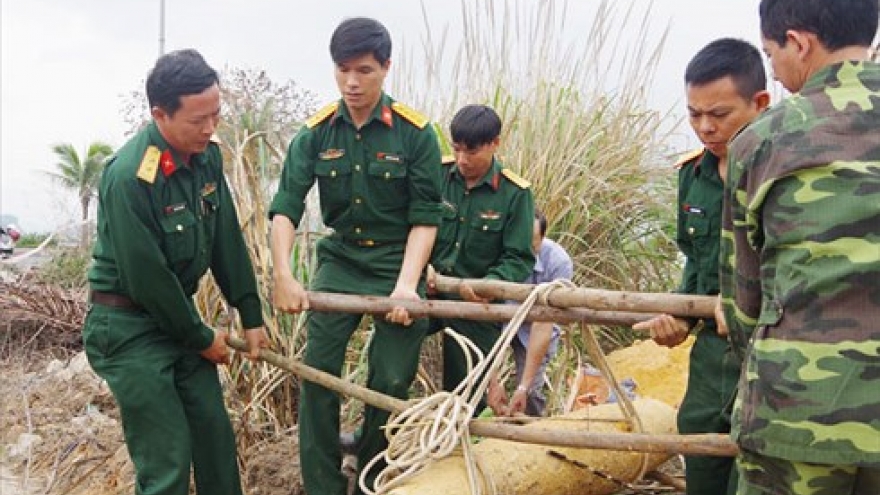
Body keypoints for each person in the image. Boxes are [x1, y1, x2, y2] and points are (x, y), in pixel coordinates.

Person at [268, 17, 444, 495]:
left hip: (396, 263)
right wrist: (283, 274)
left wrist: (407, 285)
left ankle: (369, 476)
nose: (351, 82)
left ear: (386, 68)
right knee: (318, 375)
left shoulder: (416, 134)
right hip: (340, 261)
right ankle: (322, 485)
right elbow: (285, 207)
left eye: (364, 70)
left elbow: (426, 217)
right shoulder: (316, 133)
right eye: (342, 69)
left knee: (390, 379)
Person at [82, 49, 269, 495]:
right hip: (128, 330)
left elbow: (225, 238)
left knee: (215, 445)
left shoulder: (205, 158)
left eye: (216, 115)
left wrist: (251, 312)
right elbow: (148, 279)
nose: (209, 129)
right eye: (197, 120)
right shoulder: (130, 176)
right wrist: (202, 338)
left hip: (177, 321)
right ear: (160, 114)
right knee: (167, 460)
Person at [720, 1, 880, 494]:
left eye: (772, 54)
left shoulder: (762, 142)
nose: (777, 69)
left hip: (795, 418)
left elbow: (743, 303)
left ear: (801, 43)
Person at [632, 38, 770, 495]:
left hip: (771, 352)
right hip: (713, 355)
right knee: (702, 456)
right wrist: (680, 315)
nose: (705, 127)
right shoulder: (691, 175)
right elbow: (695, 263)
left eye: (720, 114)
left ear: (760, 103)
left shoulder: (785, 169)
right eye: (694, 114)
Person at [428, 104, 536, 413]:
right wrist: (422, 269)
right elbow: (410, 228)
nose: (462, 160)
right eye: (457, 149)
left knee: (467, 394)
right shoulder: (436, 175)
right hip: (428, 291)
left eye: (472, 151)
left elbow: (518, 257)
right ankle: (373, 440)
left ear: (495, 144)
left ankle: (458, 449)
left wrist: (491, 284)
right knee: (390, 360)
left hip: (477, 305)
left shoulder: (515, 193)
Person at [487, 208, 573, 417]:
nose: (524, 250)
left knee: (531, 392)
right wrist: (492, 382)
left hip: (533, 330)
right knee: (478, 384)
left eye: (531, 243)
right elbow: (483, 316)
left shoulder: (558, 263)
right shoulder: (493, 252)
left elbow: (543, 324)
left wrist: (523, 388)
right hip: (496, 322)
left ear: (543, 237)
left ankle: (533, 435)